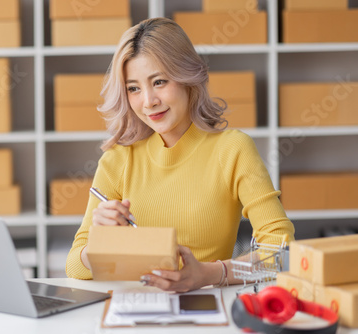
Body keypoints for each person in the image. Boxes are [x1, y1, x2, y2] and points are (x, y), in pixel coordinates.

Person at [65, 17, 295, 292]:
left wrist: (209, 273)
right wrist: (98, 244)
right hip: (136, 308)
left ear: (188, 77)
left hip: (207, 306)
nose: (148, 101)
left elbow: (283, 254)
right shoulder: (117, 160)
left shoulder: (233, 149)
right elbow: (74, 266)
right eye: (134, 88)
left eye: (159, 81)